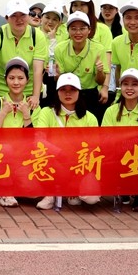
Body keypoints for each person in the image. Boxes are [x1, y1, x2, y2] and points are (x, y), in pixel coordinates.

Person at [33, 72, 101, 209]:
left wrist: (76, 162)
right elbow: (39, 140)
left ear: (79, 92)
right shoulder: (47, 112)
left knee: (91, 198)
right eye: (63, 89)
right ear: (57, 92)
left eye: (72, 89)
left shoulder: (90, 118)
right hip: (54, 162)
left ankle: (73, 189)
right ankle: (50, 194)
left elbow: (94, 149)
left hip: (79, 166)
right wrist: (59, 153)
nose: (67, 93)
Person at [102, 68, 138, 212]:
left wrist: (122, 140)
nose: (129, 88)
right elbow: (106, 138)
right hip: (117, 156)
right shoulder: (111, 110)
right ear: (120, 87)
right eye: (125, 84)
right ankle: (124, 190)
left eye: (134, 84)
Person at [0, 58, 34, 208]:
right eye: (11, 78)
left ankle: (9, 187)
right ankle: (4, 191)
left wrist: (26, 115)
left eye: (20, 78)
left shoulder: (32, 105)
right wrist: (3, 112)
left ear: (27, 80)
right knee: (6, 149)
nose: (16, 82)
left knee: (33, 192)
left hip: (23, 158)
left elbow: (33, 140)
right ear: (5, 80)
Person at [0, 0, 47, 112]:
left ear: (28, 16)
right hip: (2, 89)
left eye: (23, 15)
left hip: (29, 91)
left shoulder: (38, 36)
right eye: (14, 16)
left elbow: (38, 68)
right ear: (7, 18)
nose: (19, 19)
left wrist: (35, 95)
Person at [54, 12, 108, 124]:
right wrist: (57, 75)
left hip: (89, 94)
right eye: (73, 29)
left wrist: (99, 71)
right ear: (68, 31)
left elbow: (100, 81)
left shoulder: (99, 49)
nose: (78, 32)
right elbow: (59, 80)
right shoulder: (60, 49)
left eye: (82, 29)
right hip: (68, 92)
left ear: (89, 30)